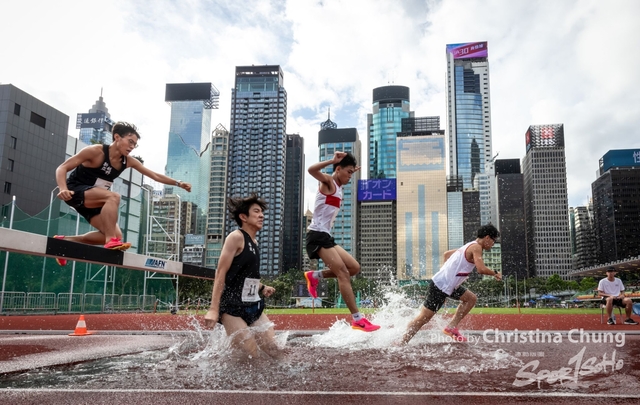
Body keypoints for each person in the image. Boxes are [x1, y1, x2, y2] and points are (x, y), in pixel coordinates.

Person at [54, 122, 191, 265]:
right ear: (117, 137)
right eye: (130, 142)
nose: (132, 147)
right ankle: (110, 241)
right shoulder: (95, 151)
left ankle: (65, 242)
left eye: (135, 144)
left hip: (95, 199)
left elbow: (154, 175)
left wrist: (178, 183)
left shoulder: (128, 161)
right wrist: (63, 188)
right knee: (113, 197)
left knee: (116, 234)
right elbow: (62, 168)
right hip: (74, 190)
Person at [303, 151, 380, 332]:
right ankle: (358, 319)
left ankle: (314, 276)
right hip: (316, 235)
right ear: (338, 169)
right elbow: (311, 170)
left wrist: (351, 168)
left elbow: (345, 172)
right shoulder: (328, 181)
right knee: (343, 273)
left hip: (326, 236)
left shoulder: (338, 185)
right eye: (349, 172)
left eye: (353, 173)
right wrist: (333, 161)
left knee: (354, 268)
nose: (350, 176)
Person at [204, 194, 281, 359]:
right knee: (250, 353)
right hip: (232, 307)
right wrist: (213, 309)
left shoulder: (255, 242)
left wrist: (262, 287)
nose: (261, 215)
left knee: (274, 350)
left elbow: (245, 276)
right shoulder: (236, 237)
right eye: (256, 211)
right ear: (243, 217)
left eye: (262, 212)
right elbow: (221, 273)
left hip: (253, 304)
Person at [401, 224, 502, 344]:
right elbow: (481, 269)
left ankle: (451, 327)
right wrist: (495, 273)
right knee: (424, 318)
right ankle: (402, 341)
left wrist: (448, 272)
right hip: (440, 285)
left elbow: (446, 254)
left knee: (471, 299)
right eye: (493, 240)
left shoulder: (468, 245)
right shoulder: (476, 248)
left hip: (449, 285)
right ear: (487, 238)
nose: (493, 244)